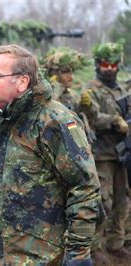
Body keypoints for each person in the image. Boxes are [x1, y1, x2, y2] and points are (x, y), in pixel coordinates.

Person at [0, 44, 100, 264]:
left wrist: (78, 252)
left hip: (41, 257)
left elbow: (84, 187)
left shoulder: (53, 122)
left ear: (22, 82)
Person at [79, 41, 130, 261]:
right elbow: (91, 118)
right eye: (105, 64)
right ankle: (95, 247)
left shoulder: (121, 89)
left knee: (123, 199)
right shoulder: (91, 90)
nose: (109, 68)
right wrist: (114, 121)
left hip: (122, 154)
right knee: (102, 202)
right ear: (98, 65)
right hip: (101, 154)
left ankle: (116, 242)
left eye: (113, 64)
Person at [42, 47, 87, 111]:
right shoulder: (43, 96)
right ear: (53, 74)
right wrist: (56, 89)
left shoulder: (72, 95)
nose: (71, 77)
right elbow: (48, 112)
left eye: (71, 72)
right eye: (65, 72)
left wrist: (87, 107)